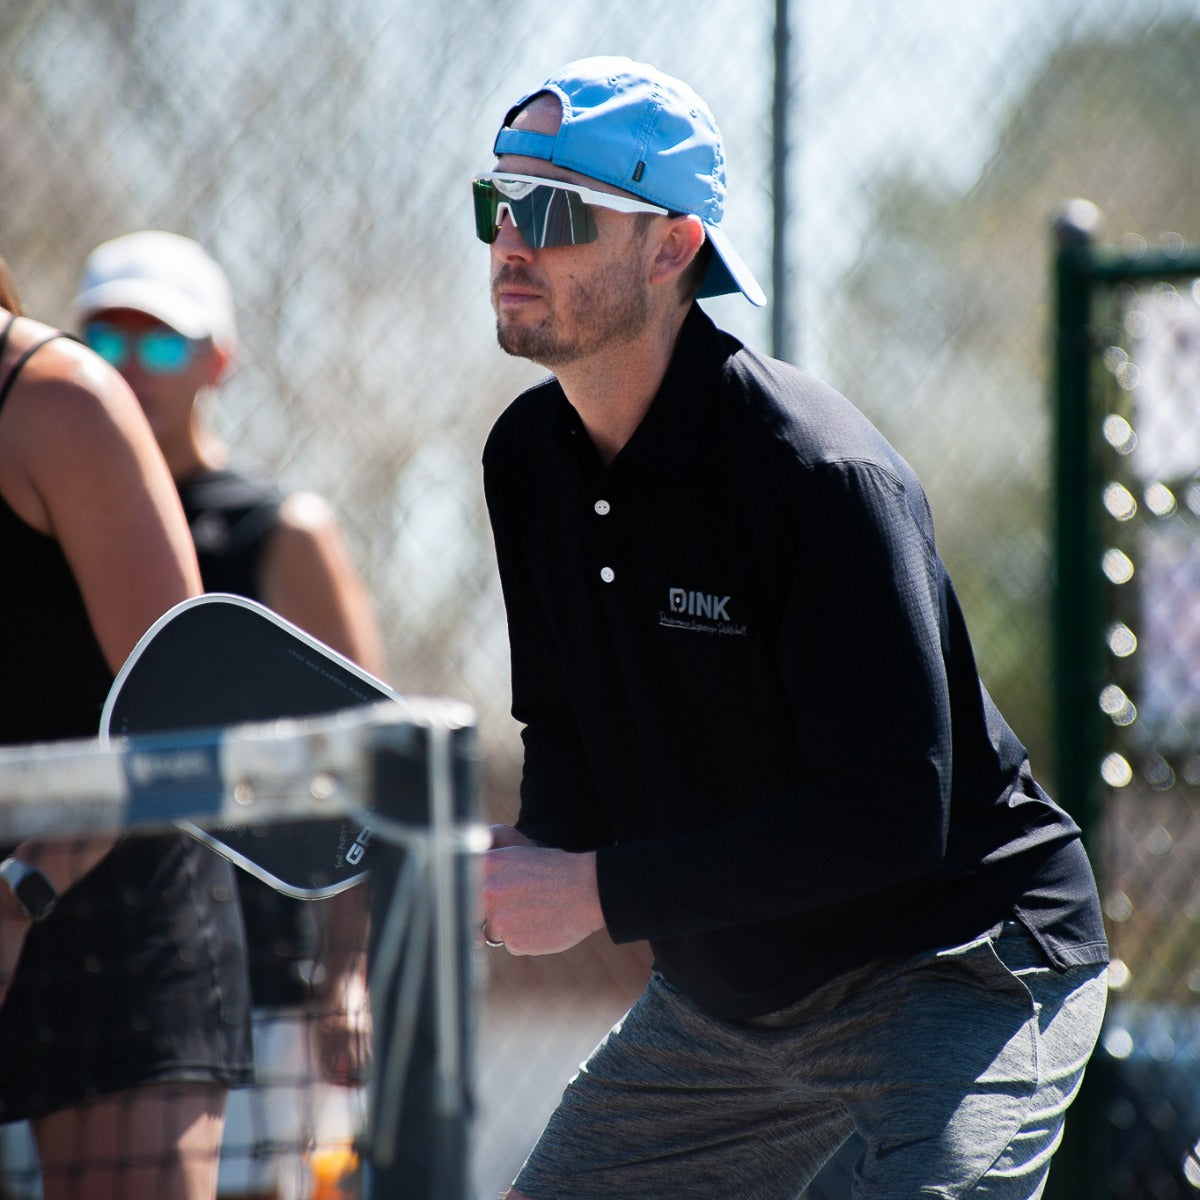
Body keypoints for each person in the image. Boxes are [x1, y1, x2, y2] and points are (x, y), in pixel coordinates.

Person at [475, 57, 1110, 1200]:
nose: (511, 242)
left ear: (672, 249)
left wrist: (600, 894)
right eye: (497, 205)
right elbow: (563, 730)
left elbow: (888, 819)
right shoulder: (524, 460)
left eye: (554, 212)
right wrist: (525, 866)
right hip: (730, 1008)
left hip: (959, 970)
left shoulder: (818, 476)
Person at [73, 230, 382, 1200]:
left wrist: (345, 975)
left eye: (161, 345)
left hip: (259, 983)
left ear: (219, 360)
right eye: (106, 342)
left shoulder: (282, 532)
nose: (131, 369)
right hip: (72, 955)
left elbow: (372, 765)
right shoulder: (47, 525)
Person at [0, 255, 252, 1198]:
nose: (137, 361)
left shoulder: (61, 401)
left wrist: (23, 889)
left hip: (113, 918)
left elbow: (180, 709)